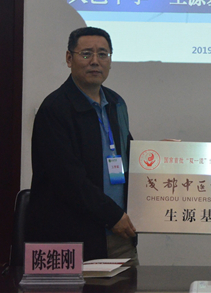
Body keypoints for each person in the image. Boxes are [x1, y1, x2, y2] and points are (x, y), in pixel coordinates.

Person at [26, 27, 138, 264]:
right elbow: (68, 179)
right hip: (72, 239)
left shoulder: (116, 103)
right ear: (69, 59)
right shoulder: (54, 109)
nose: (95, 61)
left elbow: (128, 154)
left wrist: (159, 157)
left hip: (119, 236)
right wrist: (112, 215)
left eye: (103, 54)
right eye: (86, 54)